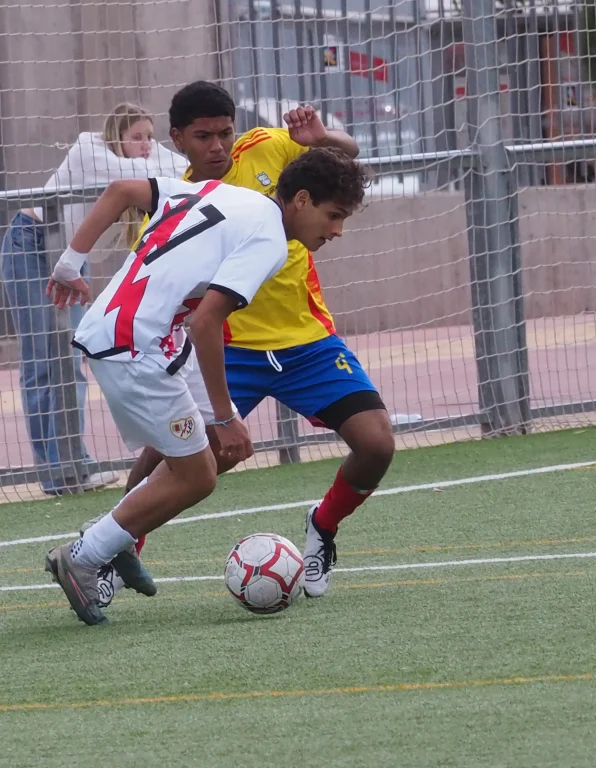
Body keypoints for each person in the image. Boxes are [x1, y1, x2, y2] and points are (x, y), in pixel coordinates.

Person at [44, 146, 371, 625]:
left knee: (215, 454)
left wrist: (71, 262)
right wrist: (225, 415)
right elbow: (206, 323)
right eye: (334, 215)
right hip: (138, 347)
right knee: (198, 474)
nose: (338, 230)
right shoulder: (270, 240)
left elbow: (121, 192)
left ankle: (113, 542)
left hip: (135, 335)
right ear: (300, 200)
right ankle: (85, 555)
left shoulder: (219, 192)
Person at [99, 81, 394, 604]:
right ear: (178, 141)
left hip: (309, 343)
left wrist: (324, 137)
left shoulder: (267, 148)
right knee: (173, 460)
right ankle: (117, 551)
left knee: (376, 445)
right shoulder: (178, 197)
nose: (218, 146)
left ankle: (322, 527)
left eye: (224, 134)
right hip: (231, 350)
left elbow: (342, 163)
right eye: (203, 136)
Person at [1, 103, 187, 495]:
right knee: (45, 360)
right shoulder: (90, 151)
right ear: (115, 136)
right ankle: (63, 470)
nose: (146, 146)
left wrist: (157, 152)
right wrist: (158, 159)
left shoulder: (141, 162)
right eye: (136, 137)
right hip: (33, 244)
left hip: (71, 255)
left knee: (71, 355)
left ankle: (68, 467)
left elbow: (178, 170)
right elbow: (164, 173)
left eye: (151, 137)